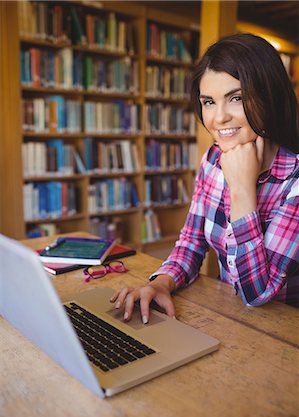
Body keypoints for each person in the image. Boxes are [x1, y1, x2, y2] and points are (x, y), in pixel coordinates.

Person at [110, 33, 299, 323]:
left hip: (282, 336)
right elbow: (191, 242)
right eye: (209, 102)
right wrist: (161, 283)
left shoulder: (294, 180)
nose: (219, 117)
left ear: (268, 95)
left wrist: (242, 189)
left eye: (236, 98)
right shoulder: (213, 159)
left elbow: (257, 294)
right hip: (231, 320)